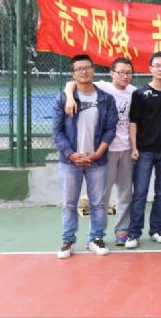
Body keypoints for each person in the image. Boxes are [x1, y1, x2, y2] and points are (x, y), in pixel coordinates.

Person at [64, 57, 136, 246]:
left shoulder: (133, 92)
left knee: (126, 194)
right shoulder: (102, 88)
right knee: (101, 196)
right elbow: (73, 82)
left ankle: (122, 231)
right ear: (112, 73)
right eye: (120, 72)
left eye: (128, 72)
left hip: (127, 149)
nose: (124, 76)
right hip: (105, 151)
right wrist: (70, 97)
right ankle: (97, 234)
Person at [52, 54, 118, 259]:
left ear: (93, 70)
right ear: (73, 74)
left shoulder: (106, 99)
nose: (84, 71)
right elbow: (57, 132)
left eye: (87, 67)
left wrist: (98, 153)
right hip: (70, 161)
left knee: (98, 203)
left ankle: (95, 239)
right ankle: (68, 241)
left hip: (97, 160)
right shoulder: (63, 98)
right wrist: (71, 154)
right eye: (79, 69)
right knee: (69, 204)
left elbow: (110, 129)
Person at [124, 52, 161, 249]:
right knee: (140, 193)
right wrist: (134, 147)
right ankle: (133, 233)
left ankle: (157, 230)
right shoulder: (139, 93)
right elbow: (133, 122)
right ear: (150, 68)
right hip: (144, 151)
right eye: (157, 65)